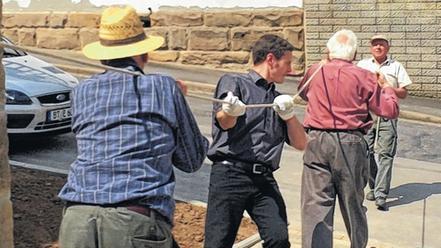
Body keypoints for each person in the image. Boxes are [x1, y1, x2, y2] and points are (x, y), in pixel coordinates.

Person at [57, 5, 209, 248]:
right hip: (132, 220)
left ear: (102, 55)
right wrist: (179, 100)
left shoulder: (81, 91)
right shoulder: (163, 87)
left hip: (78, 218)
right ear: (144, 54)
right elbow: (191, 160)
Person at [204, 34, 307, 248]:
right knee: (218, 242)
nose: (290, 70)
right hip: (230, 174)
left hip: (263, 179)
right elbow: (224, 123)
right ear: (271, 59)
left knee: (278, 238)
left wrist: (290, 116)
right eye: (287, 63)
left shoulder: (278, 100)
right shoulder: (234, 82)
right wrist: (230, 110)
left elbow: (301, 144)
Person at [298, 30, 399, 248]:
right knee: (353, 203)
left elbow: (304, 93)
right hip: (350, 140)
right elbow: (389, 109)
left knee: (315, 205)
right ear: (353, 55)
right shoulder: (364, 76)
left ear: (328, 50)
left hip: (316, 138)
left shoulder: (315, 70)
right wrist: (387, 87)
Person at [357, 35, 412, 210]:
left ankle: (381, 194)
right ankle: (373, 186)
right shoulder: (362, 65)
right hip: (367, 115)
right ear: (370, 47)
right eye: (375, 44)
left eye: (381, 44)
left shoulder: (396, 66)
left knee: (386, 154)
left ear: (387, 47)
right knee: (365, 152)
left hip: (388, 114)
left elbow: (403, 93)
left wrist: (388, 86)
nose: (378, 47)